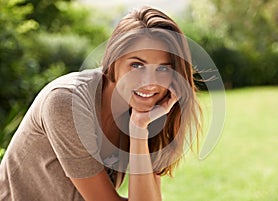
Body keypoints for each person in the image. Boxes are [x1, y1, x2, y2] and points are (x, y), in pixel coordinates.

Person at [0, 6, 201, 201]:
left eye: (163, 69)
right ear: (113, 61)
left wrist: (139, 129)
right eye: (137, 65)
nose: (149, 82)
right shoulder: (66, 102)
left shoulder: (143, 114)